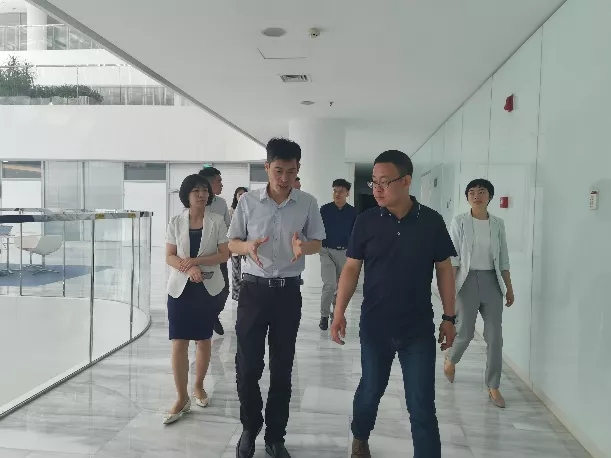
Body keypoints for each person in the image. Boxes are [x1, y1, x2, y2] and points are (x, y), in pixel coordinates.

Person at [330, 150, 457, 458]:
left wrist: (449, 317)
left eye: (384, 182)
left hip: (417, 329)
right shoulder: (366, 221)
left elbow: (444, 268)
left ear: (406, 181)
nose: (377, 189)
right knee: (370, 391)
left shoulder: (432, 221)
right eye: (374, 182)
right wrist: (339, 311)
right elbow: (351, 267)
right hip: (376, 326)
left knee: (421, 404)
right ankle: (360, 436)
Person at [228, 138, 326, 458]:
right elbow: (232, 243)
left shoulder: (307, 202)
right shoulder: (248, 202)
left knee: (282, 368)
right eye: (278, 170)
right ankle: (249, 428)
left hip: (288, 293)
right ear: (267, 167)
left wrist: (303, 247)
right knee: (247, 367)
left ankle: (275, 436)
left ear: (298, 170)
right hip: (253, 291)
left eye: (291, 171)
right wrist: (248, 247)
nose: (284, 178)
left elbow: (317, 242)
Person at [163, 174, 230, 425]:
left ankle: (199, 386)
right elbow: (169, 256)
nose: (202, 194)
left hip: (208, 288)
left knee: (203, 339)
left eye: (204, 190)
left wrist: (197, 262)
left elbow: (224, 254)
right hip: (180, 289)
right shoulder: (175, 221)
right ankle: (182, 398)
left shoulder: (217, 221)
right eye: (196, 191)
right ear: (187, 195)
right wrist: (188, 268)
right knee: (179, 341)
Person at [444, 178, 514, 408]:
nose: (476, 196)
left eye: (481, 192)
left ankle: (493, 385)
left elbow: (503, 258)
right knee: (464, 332)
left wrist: (509, 287)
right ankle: (451, 359)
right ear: (467, 197)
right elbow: (453, 257)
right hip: (466, 281)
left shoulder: (498, 224)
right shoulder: (460, 221)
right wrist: (450, 290)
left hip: (492, 281)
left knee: (495, 336)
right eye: (472, 192)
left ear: (489, 196)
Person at [318, 178, 357, 331]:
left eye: (341, 191)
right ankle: (324, 315)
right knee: (330, 284)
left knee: (341, 287)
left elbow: (355, 234)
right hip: (326, 251)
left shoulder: (353, 212)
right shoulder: (324, 210)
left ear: (347, 193)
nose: (337, 194)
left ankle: (336, 315)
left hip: (344, 253)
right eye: (335, 191)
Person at [198, 166, 231, 336]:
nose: (222, 185)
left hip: (219, 256)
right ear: (209, 184)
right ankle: (203, 320)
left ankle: (213, 315)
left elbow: (228, 227)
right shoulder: (194, 202)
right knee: (201, 292)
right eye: (219, 181)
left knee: (224, 290)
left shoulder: (222, 203)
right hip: (199, 257)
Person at [230, 186, 249, 301]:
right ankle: (237, 294)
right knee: (236, 271)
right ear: (236, 196)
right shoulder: (231, 211)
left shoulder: (251, 209)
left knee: (249, 269)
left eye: (244, 194)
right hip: (236, 246)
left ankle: (248, 293)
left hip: (248, 245)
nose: (242, 196)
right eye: (239, 194)